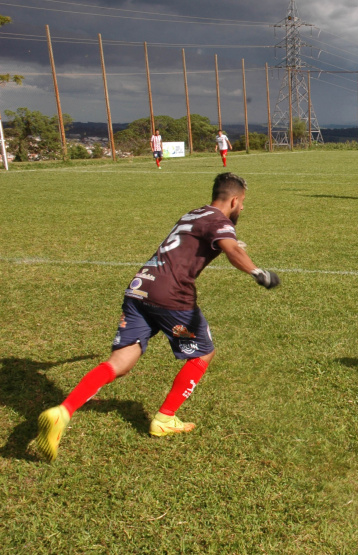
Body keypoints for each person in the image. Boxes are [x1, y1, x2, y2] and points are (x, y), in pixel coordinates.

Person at [31, 173, 281, 462]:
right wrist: (257, 273)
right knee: (203, 353)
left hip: (140, 289)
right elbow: (232, 249)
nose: (243, 210)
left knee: (121, 362)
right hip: (171, 298)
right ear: (234, 200)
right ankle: (164, 418)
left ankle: (63, 411)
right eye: (243, 204)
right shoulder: (220, 221)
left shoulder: (194, 213)